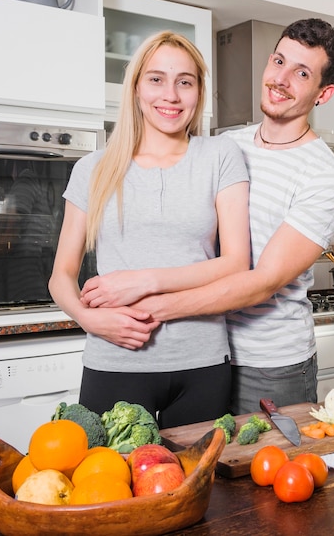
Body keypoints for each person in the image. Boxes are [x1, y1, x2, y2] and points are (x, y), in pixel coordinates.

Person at [81, 18, 334, 415]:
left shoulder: (324, 176)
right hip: (205, 352)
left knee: (261, 471)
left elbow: (261, 283)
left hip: (270, 363)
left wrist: (146, 307)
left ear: (323, 93)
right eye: (278, 62)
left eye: (302, 73)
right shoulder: (225, 146)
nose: (281, 79)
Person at [49, 31, 250, 428]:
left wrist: (144, 281)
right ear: (137, 87)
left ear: (198, 91)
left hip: (202, 361)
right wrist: (89, 319)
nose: (171, 96)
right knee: (109, 487)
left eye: (185, 82)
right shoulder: (93, 168)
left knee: (200, 488)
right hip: (113, 355)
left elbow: (236, 263)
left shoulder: (220, 155)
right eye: (156, 79)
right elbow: (61, 276)